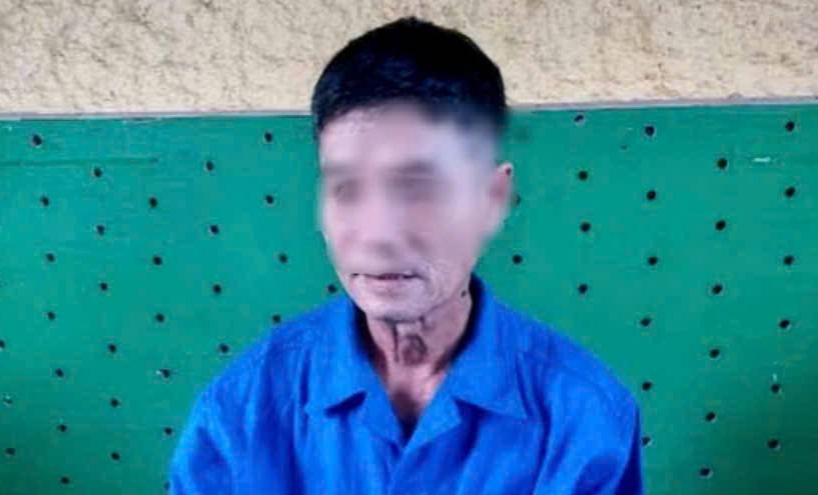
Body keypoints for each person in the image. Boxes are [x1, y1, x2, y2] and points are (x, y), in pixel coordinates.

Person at [168, 16, 643, 494]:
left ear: (492, 199)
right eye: (347, 188)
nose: (377, 234)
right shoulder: (241, 412)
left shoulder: (583, 419)